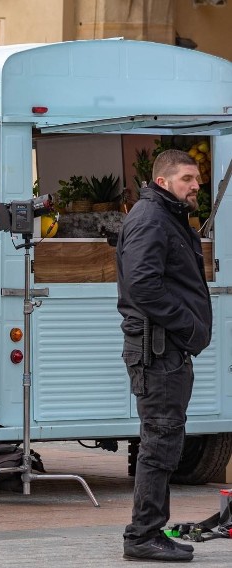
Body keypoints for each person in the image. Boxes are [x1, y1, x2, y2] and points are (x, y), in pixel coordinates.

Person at [116, 149, 212, 563]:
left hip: (166, 346)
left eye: (196, 179)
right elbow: (142, 285)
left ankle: (150, 531)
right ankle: (143, 535)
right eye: (188, 178)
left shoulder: (166, 216)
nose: (196, 185)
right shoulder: (151, 218)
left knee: (164, 439)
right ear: (163, 181)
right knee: (160, 440)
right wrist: (187, 326)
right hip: (158, 348)